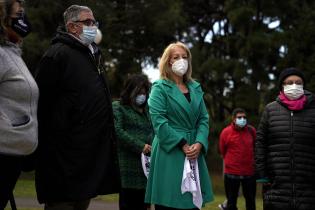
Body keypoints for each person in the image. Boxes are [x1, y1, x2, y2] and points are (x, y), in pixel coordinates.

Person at [35, 5, 120, 210]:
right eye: (88, 22)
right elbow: (41, 106)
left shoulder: (93, 56)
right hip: (63, 160)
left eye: (94, 22)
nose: (93, 26)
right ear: (72, 27)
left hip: (86, 158)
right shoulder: (57, 55)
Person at [145, 41, 214, 210]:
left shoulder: (195, 88)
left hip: (194, 150)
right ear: (168, 61)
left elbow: (204, 119)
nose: (181, 60)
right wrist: (182, 144)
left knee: (192, 203)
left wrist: (199, 143)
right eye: (176, 57)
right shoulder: (159, 88)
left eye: (185, 57)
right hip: (170, 150)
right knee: (170, 201)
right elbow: (159, 122)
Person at [255, 67, 315, 210]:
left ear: (303, 86)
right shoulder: (270, 110)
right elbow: (260, 142)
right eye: (289, 82)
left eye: (298, 82)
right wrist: (262, 174)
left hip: (309, 189)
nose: (294, 85)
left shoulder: (313, 110)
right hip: (276, 188)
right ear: (282, 86)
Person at [0, 0, 38, 209]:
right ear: (4, 19)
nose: (24, 20)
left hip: (12, 156)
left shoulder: (13, 54)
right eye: (19, 14)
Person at [112, 73, 153, 210]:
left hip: (146, 170)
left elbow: (153, 132)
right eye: (139, 91)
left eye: (145, 91)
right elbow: (117, 132)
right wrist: (140, 146)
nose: (142, 95)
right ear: (130, 91)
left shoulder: (148, 111)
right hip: (127, 169)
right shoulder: (118, 107)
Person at [219, 108, 256, 210]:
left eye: (244, 117)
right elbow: (222, 151)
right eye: (239, 117)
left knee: (251, 202)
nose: (242, 119)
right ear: (234, 119)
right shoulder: (226, 132)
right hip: (231, 173)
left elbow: (255, 147)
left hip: (249, 173)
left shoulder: (252, 131)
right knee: (231, 203)